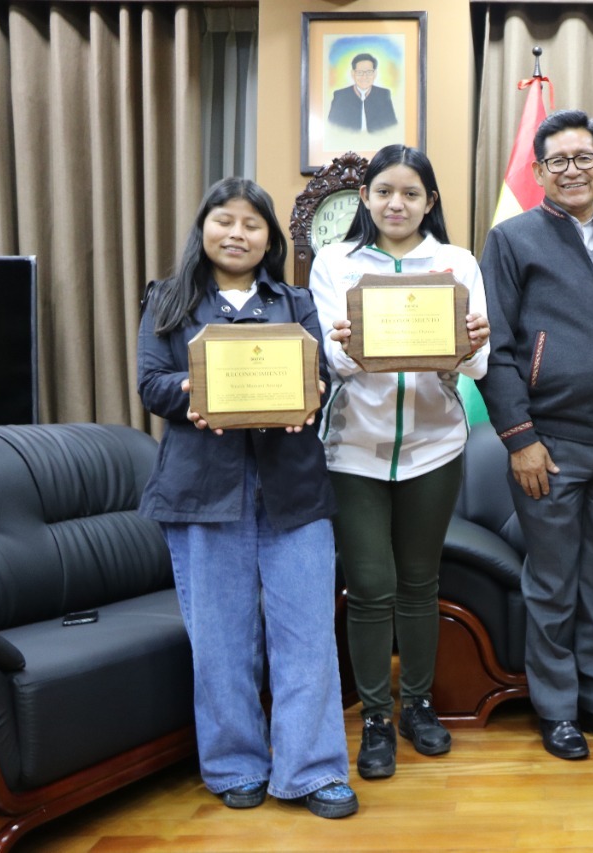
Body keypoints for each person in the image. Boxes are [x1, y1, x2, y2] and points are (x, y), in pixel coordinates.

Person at [136, 177, 358, 819]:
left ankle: (313, 770)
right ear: (203, 228)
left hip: (294, 489)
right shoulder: (168, 299)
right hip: (202, 492)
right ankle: (235, 764)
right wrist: (195, 392)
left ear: (270, 238)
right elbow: (151, 384)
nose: (237, 233)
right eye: (224, 220)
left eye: (252, 224)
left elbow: (318, 377)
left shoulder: (295, 301)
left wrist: (307, 397)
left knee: (307, 636)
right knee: (221, 640)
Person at [477, 109, 593, 760]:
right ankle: (557, 711)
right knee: (553, 584)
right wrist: (519, 437)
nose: (572, 170)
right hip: (549, 444)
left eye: (584, 157)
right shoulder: (511, 240)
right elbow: (498, 349)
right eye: (557, 161)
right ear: (538, 172)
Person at [308, 145, 491, 779]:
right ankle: (376, 718)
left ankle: (417, 705)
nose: (397, 204)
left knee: (419, 582)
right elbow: (332, 362)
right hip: (353, 447)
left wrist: (468, 347)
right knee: (368, 586)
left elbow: (477, 365)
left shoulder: (457, 262)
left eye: (411, 193)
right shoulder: (334, 262)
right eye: (384, 191)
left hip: (434, 445)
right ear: (364, 197)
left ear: (429, 202)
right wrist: (349, 346)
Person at [327, 52, 398, 134]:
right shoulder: (340, 96)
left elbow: (391, 126)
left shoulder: (384, 94)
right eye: (359, 72)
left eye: (369, 72)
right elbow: (332, 128)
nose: (364, 77)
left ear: (375, 74)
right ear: (353, 74)